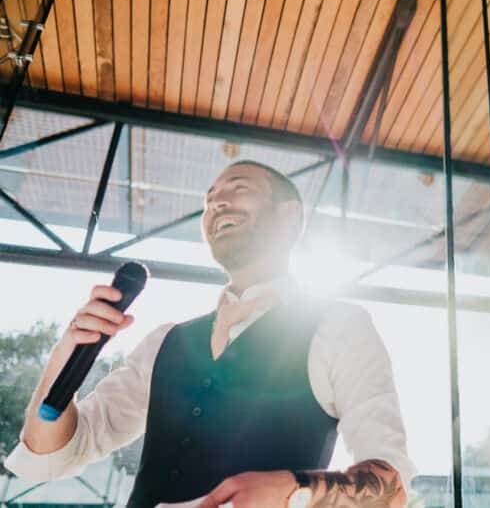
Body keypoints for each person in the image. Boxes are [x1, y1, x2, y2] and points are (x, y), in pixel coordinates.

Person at [4, 161, 414, 508]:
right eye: (210, 198)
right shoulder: (165, 341)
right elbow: (51, 453)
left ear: (290, 216)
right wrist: (68, 353)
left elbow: (391, 484)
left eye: (240, 188)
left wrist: (296, 490)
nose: (218, 201)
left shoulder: (340, 326)